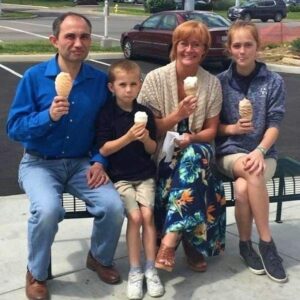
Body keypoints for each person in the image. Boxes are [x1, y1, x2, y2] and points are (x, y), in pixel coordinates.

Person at [6, 13, 124, 300]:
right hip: (39, 163)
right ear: (54, 40)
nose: (78, 42)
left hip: (82, 162)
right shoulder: (35, 78)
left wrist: (100, 160)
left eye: (84, 36)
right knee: (47, 210)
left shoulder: (99, 81)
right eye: (70, 36)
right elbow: (14, 128)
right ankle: (36, 272)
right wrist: (48, 116)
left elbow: (107, 128)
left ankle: (98, 257)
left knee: (113, 206)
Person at [137, 20, 226, 273]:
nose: (189, 49)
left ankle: (169, 240)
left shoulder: (212, 83)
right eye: (183, 44)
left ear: (204, 50)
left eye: (196, 45)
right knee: (186, 168)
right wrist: (178, 115)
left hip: (199, 146)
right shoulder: (155, 79)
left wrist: (191, 138)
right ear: (174, 47)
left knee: (193, 156)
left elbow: (210, 130)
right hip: (161, 148)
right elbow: (150, 128)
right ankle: (190, 240)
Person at [215, 21, 287, 283]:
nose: (242, 50)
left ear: (257, 46)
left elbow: (275, 124)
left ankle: (246, 244)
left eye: (248, 44)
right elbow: (213, 129)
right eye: (237, 45)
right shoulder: (220, 82)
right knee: (251, 172)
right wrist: (232, 128)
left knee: (244, 188)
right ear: (229, 49)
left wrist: (260, 149)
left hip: (265, 153)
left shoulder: (273, 81)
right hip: (230, 154)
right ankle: (267, 242)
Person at [96, 60, 164, 299]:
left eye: (133, 84)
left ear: (140, 85)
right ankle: (135, 270)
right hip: (120, 177)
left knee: (148, 216)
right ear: (111, 87)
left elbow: (152, 149)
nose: (128, 89)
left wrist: (145, 139)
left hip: (144, 175)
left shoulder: (145, 113)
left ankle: (150, 268)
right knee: (135, 217)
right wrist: (127, 137)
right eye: (122, 84)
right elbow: (104, 149)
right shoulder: (106, 114)